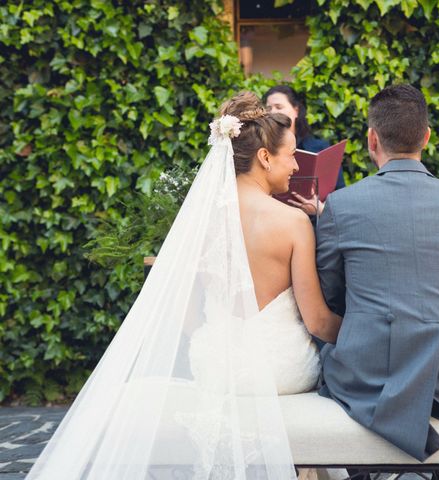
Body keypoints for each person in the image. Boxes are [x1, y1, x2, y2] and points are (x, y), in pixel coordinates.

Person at [26, 92, 343, 480]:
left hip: (214, 365)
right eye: (291, 155)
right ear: (264, 158)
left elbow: (189, 315)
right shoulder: (293, 222)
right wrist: (360, 333)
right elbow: (316, 321)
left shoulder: (200, 222)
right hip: (280, 371)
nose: (296, 165)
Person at [316, 84, 439, 461]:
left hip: (367, 375)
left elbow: (332, 299)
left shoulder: (340, 205)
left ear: (372, 139)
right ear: (427, 137)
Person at [264, 85, 346, 215]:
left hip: (314, 222)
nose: (272, 112)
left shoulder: (320, 148)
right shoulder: (260, 148)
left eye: (279, 107)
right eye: (268, 108)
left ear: (296, 111)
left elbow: (340, 194)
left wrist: (320, 208)